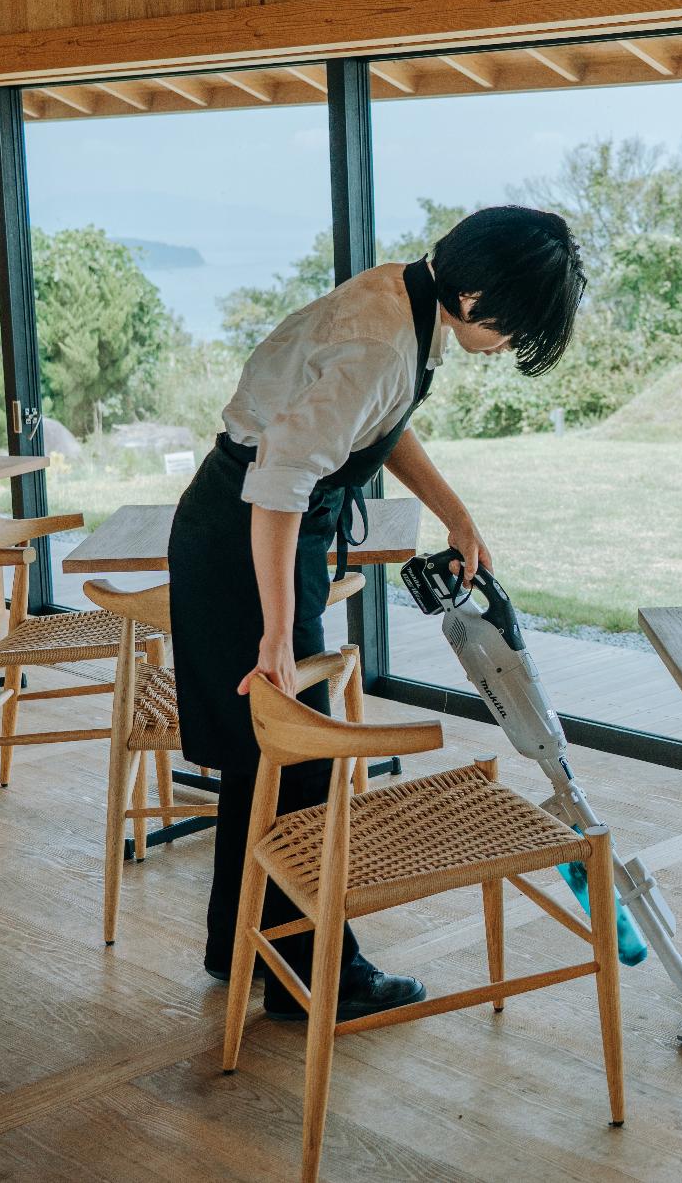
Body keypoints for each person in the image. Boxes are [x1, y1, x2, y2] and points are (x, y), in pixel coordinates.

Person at [167, 205, 584, 1019]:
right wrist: (278, 633)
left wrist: (456, 513)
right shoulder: (386, 343)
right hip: (247, 538)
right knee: (303, 758)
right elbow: (282, 479)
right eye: (512, 328)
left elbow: (378, 427)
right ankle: (321, 976)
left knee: (268, 757)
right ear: (472, 298)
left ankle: (238, 940)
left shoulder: (406, 299)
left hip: (260, 528)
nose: (505, 348)